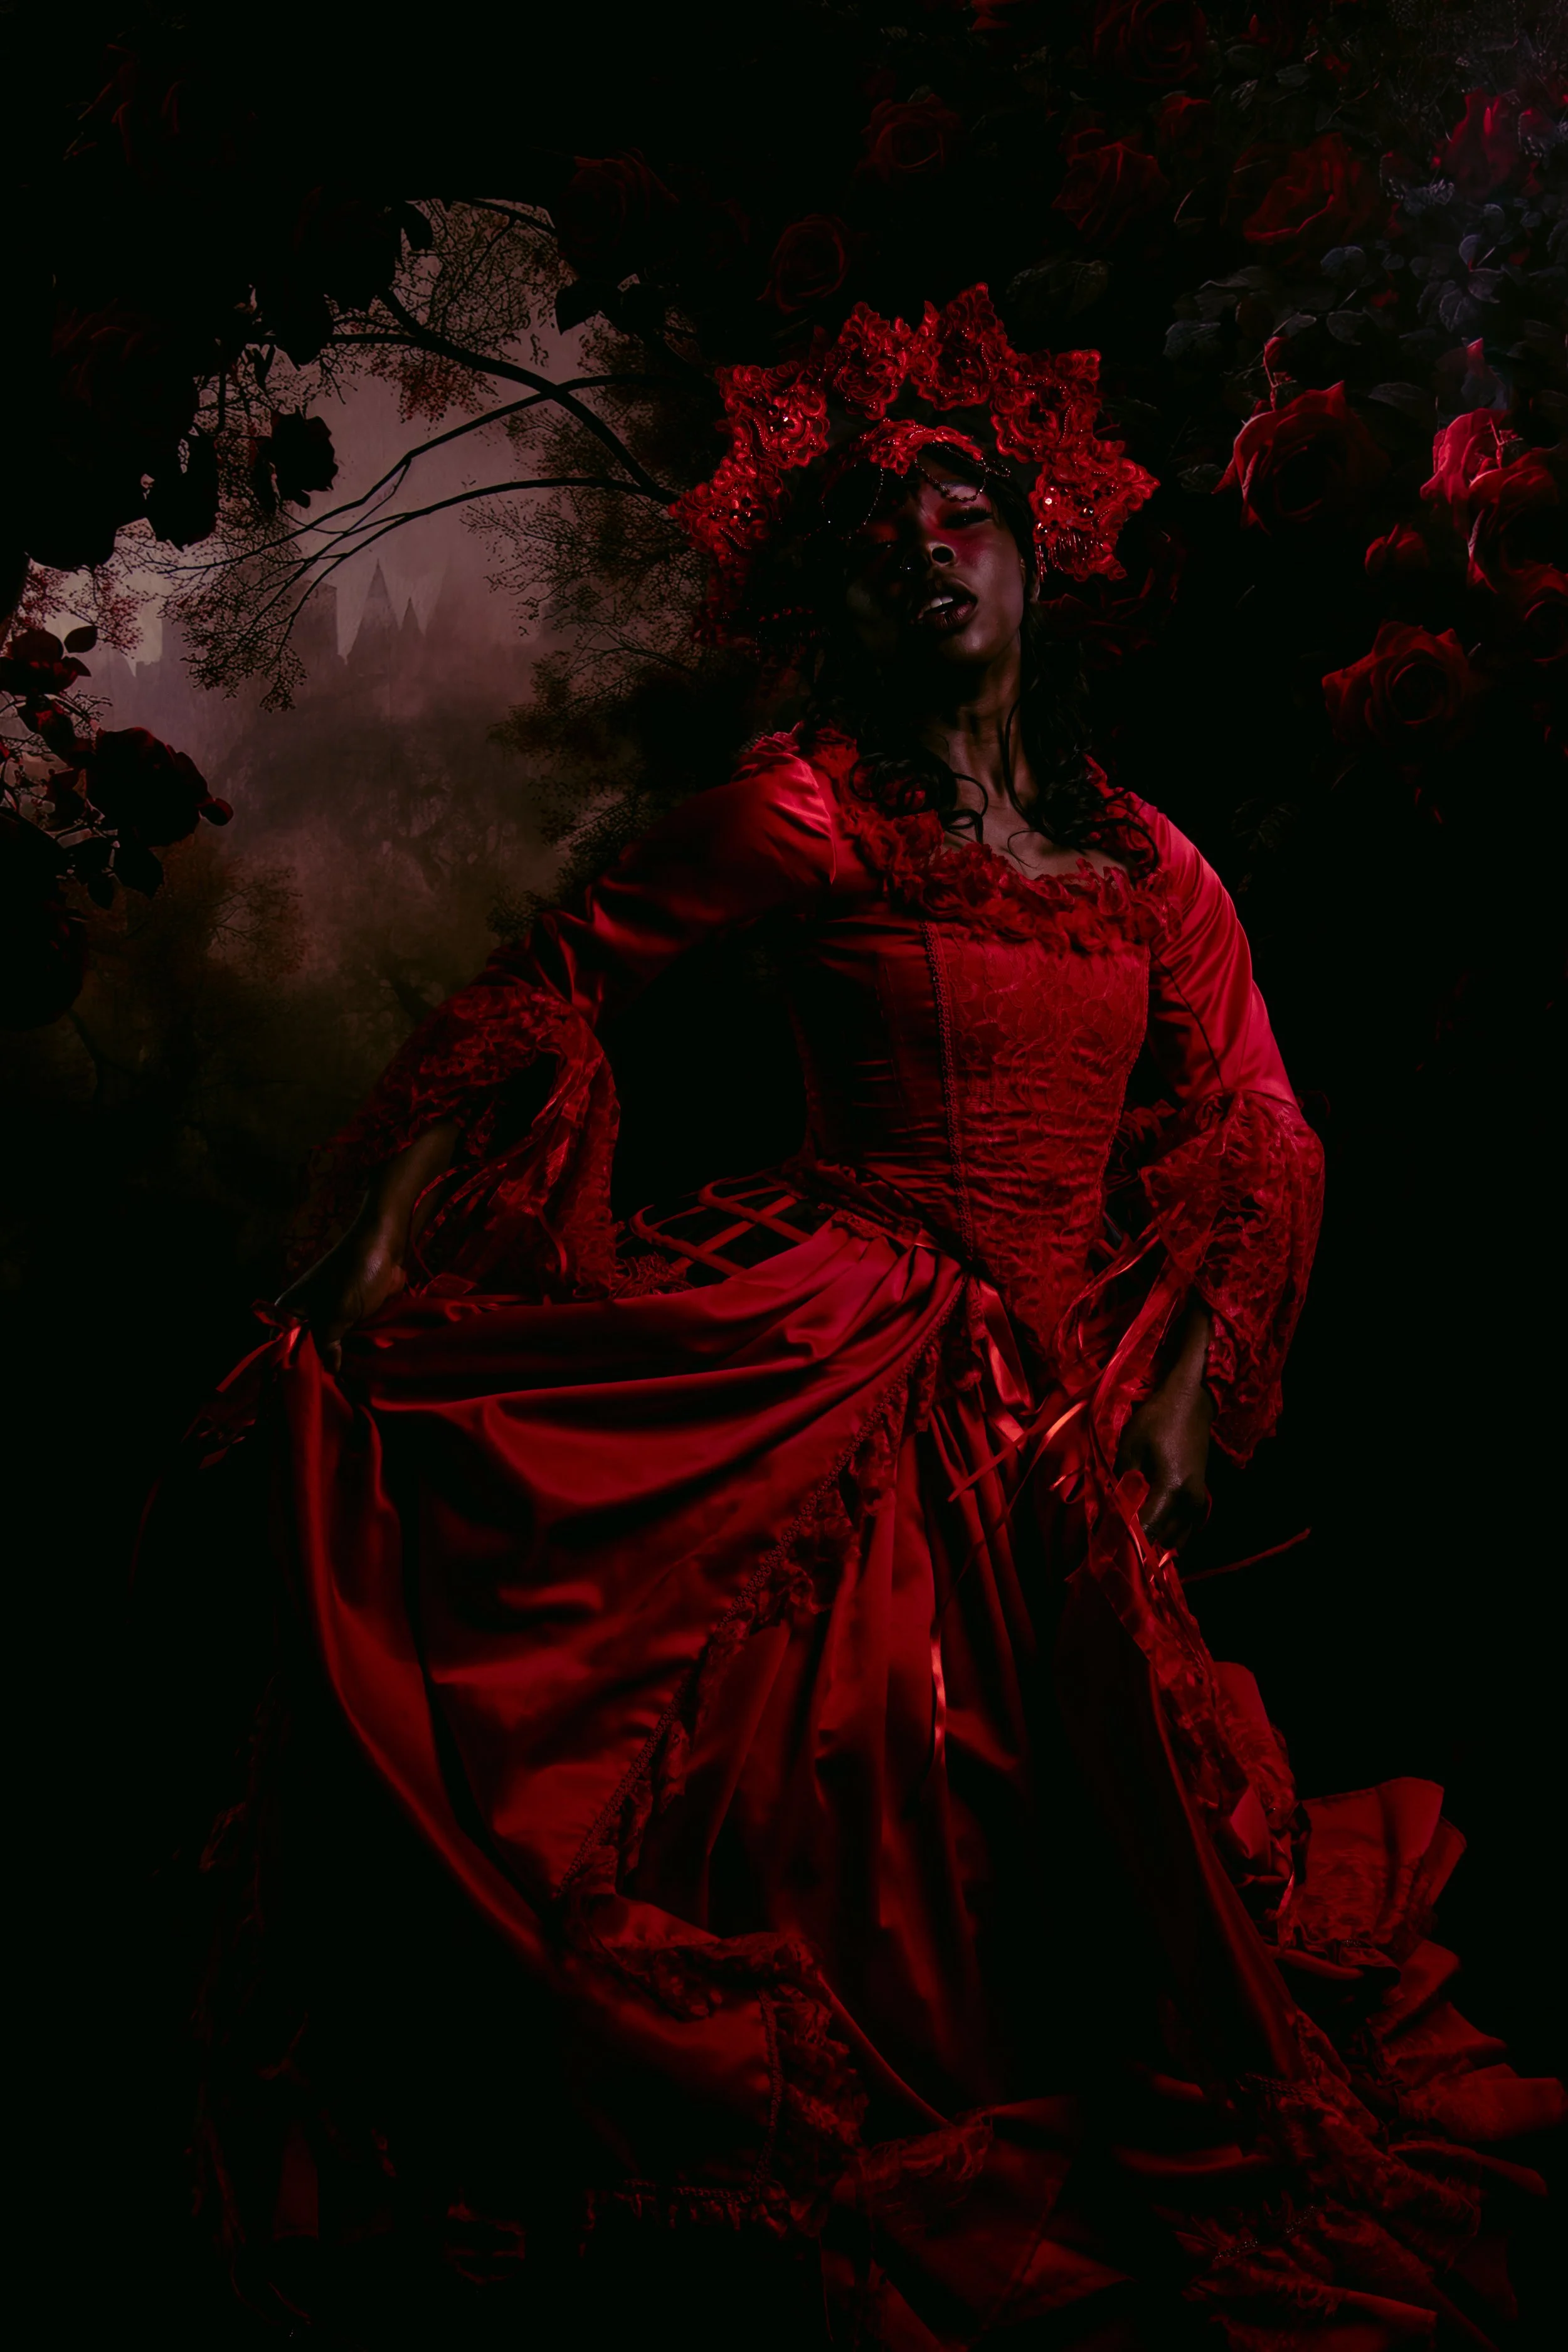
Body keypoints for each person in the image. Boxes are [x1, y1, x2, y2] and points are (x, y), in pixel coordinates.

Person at [186, 292, 1560, 2349]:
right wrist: (378, 1256)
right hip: (820, 1341)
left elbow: (1257, 1121)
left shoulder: (1144, 860)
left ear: (1040, 551)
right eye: (883, 526)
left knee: (1087, 1844)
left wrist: (1175, 1397)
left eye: (964, 508)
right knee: (823, 1769)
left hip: (1055, 1409)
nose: (925, 543)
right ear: (845, 589)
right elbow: (563, 976)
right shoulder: (811, 805)